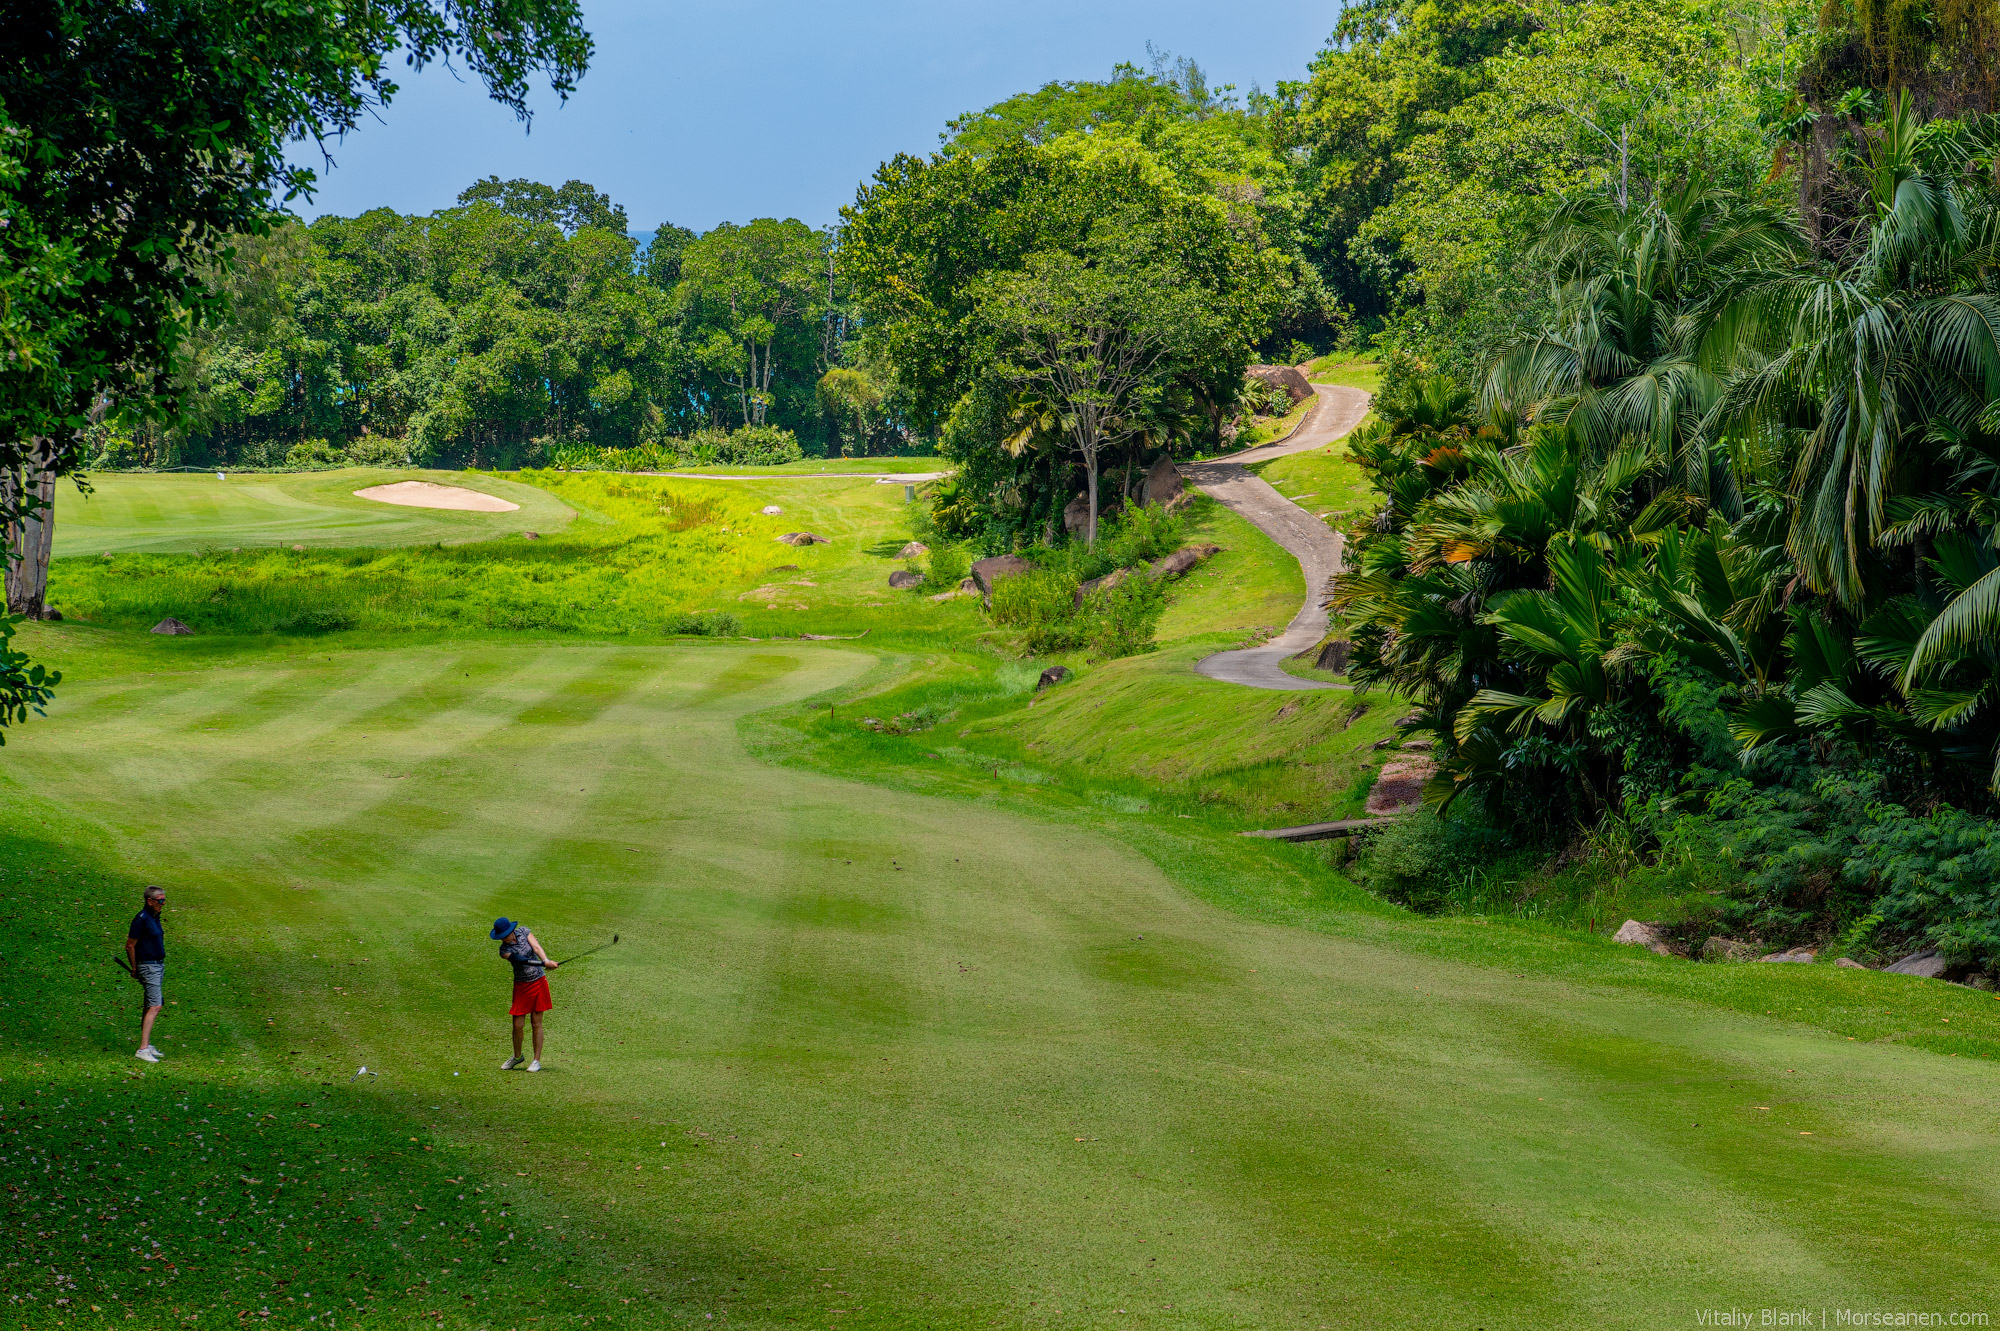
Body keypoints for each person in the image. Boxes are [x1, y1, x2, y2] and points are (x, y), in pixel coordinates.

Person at [491, 917, 557, 1071]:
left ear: (511, 931)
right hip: (521, 986)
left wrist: (546, 959)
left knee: (536, 1023)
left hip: (538, 982)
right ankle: (517, 1056)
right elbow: (520, 960)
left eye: (504, 935)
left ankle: (536, 1060)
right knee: (517, 1025)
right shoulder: (504, 950)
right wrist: (544, 963)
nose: (503, 938)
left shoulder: (524, 932)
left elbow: (536, 947)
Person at [126, 885, 168, 1063]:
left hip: (157, 966)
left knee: (149, 1004)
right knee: (155, 1006)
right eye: (160, 900)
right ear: (149, 901)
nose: (163, 903)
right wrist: (135, 968)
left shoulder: (154, 917)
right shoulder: (141, 919)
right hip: (149, 966)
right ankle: (142, 1049)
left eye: (164, 900)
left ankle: (147, 1044)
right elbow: (130, 945)